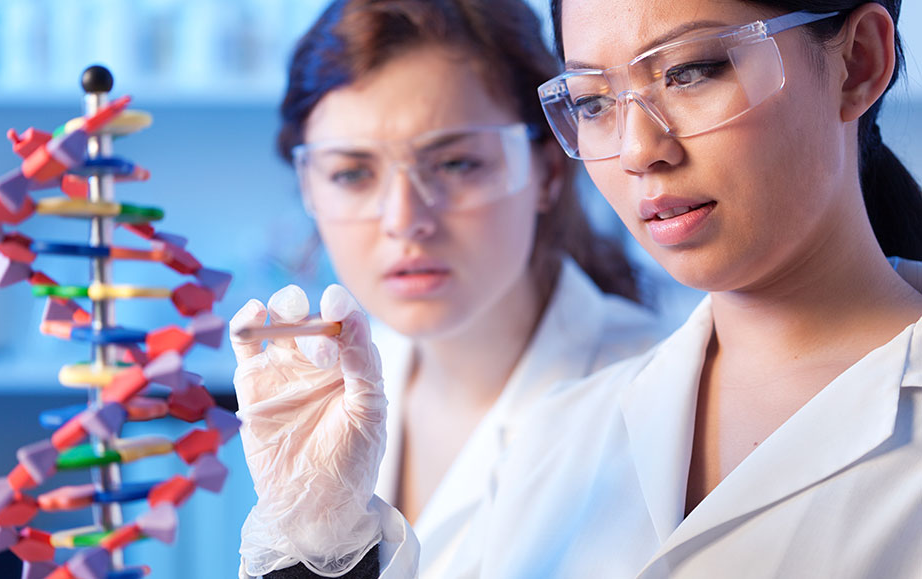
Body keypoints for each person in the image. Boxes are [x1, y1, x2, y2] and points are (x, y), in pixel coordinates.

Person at [237, 0, 922, 577]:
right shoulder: (555, 435)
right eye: (594, 102)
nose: (635, 148)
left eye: (692, 71)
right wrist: (319, 547)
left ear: (858, 62)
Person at [229, 0, 668, 576]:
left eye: (456, 163)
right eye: (352, 173)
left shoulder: (661, 409)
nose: (405, 219)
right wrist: (314, 545)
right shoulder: (318, 404)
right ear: (309, 189)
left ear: (547, 172)